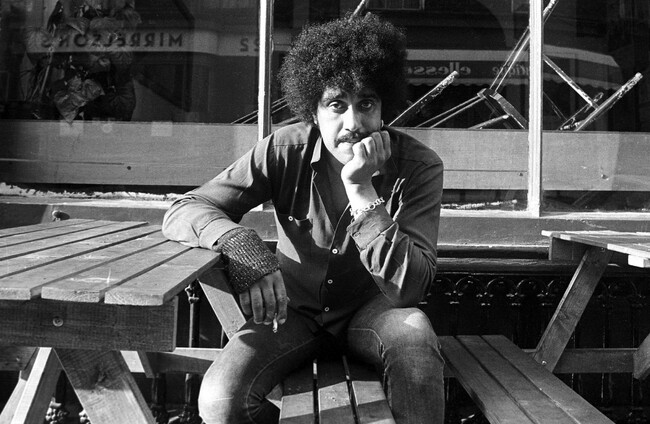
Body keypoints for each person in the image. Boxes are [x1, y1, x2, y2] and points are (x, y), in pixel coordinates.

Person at [162, 13, 445, 424]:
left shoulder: (419, 166)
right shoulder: (282, 150)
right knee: (220, 400)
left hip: (376, 312)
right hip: (291, 315)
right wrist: (241, 246)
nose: (353, 123)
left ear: (384, 107)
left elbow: (410, 289)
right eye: (337, 105)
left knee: (415, 348)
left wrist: (362, 190)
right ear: (313, 110)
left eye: (366, 104)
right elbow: (186, 208)